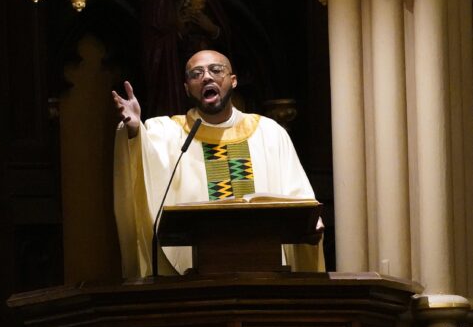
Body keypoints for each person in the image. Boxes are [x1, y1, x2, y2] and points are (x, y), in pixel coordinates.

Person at [112, 49, 323, 277]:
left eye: (216, 70)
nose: (206, 77)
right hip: (196, 279)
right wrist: (134, 130)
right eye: (196, 74)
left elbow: (297, 193)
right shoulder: (168, 133)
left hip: (265, 273)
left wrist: (312, 222)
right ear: (186, 88)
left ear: (233, 81)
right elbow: (141, 167)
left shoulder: (269, 133)